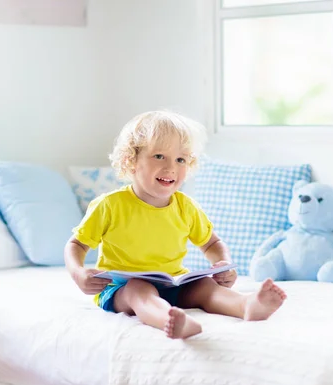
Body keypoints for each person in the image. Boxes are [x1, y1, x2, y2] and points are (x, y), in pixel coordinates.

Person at [64, 110, 286, 339]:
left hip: (172, 283)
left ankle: (246, 305)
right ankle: (168, 319)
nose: (171, 167)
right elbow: (76, 245)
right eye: (159, 156)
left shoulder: (185, 207)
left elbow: (212, 243)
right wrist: (78, 273)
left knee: (204, 287)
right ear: (131, 160)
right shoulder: (110, 205)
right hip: (120, 287)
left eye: (180, 159)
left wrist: (224, 263)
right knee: (139, 290)